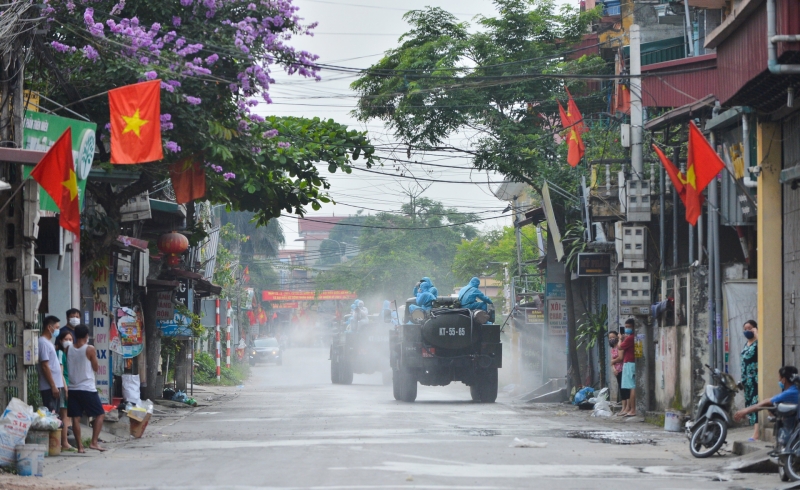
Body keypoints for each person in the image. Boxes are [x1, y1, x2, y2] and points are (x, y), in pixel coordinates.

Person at [67, 325, 106, 453]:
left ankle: (80, 447)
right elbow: (96, 367)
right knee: (100, 414)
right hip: (87, 388)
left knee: (75, 418)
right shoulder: (89, 349)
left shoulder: (68, 349)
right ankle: (94, 442)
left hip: (73, 388)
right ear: (86, 336)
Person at [734, 366, 800, 426]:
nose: (779, 380)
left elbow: (766, 402)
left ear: (784, 380)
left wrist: (745, 411)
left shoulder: (791, 392)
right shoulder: (794, 389)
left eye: (779, 378)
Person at [37, 316, 65, 415]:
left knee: (55, 416)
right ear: (49, 327)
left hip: (55, 386)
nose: (58, 330)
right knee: (51, 416)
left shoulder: (48, 342)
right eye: (57, 327)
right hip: (49, 387)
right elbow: (45, 366)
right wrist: (53, 386)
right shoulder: (43, 343)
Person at [55, 330, 76, 451]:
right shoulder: (60, 353)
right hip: (64, 387)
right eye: (66, 339)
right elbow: (60, 372)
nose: (68, 342)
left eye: (70, 339)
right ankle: (64, 442)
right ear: (61, 340)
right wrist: (66, 388)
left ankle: (65, 442)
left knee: (67, 416)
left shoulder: (69, 354)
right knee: (64, 415)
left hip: (69, 386)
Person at [740, 320, 759, 441]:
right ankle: (755, 432)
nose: (747, 331)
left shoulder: (758, 343)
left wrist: (757, 335)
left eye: (750, 328)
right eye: (745, 329)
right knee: (750, 405)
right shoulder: (746, 344)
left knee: (756, 404)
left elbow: (765, 348)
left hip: (755, 379)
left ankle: (756, 434)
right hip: (747, 381)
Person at [617, 319, 637, 416]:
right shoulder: (633, 337)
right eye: (626, 327)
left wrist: (620, 339)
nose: (627, 329)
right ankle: (631, 409)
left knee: (632, 387)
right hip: (632, 362)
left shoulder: (630, 338)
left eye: (628, 327)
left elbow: (620, 347)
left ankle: (633, 409)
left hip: (629, 363)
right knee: (631, 387)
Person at [609, 330, 628, 415]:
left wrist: (614, 361)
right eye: (610, 338)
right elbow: (611, 361)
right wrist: (613, 369)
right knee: (621, 388)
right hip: (616, 371)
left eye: (613, 337)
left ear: (617, 337)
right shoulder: (612, 348)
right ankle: (623, 408)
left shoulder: (619, 346)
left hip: (622, 369)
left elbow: (620, 358)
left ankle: (626, 408)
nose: (611, 339)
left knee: (624, 389)